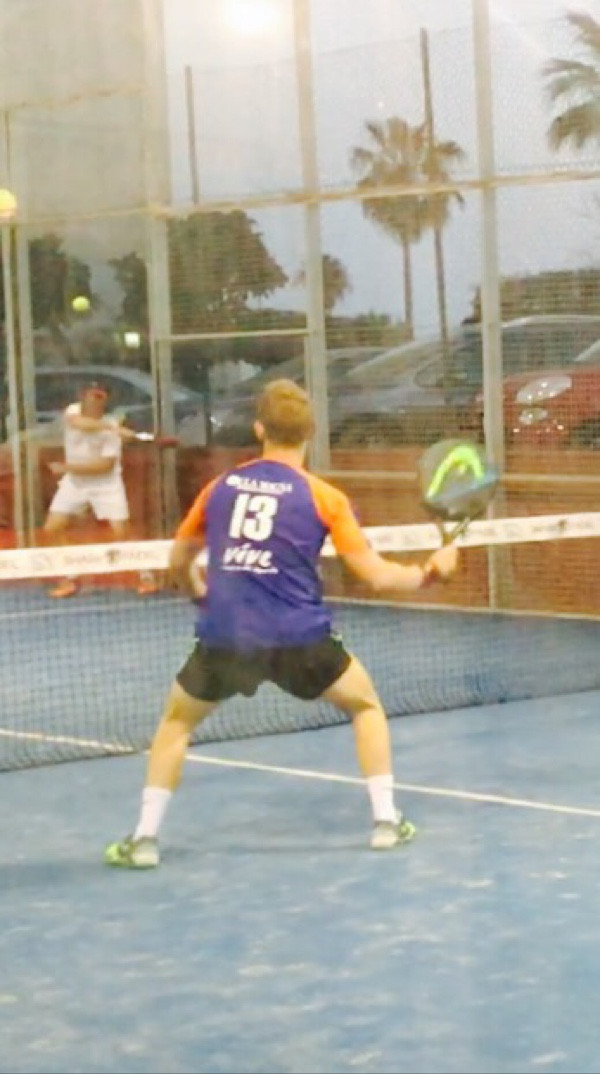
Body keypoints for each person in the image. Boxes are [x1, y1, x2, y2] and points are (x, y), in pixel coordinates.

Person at [105, 379, 459, 868]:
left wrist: (199, 592)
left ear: (259, 429)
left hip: (227, 637)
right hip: (300, 638)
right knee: (365, 706)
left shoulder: (219, 488)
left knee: (176, 723)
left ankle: (144, 839)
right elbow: (377, 576)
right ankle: (385, 822)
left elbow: (179, 560)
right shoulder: (325, 497)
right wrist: (429, 574)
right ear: (310, 432)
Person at [43, 381, 157, 598]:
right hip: (74, 483)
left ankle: (146, 575)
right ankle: (68, 576)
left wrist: (66, 467)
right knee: (52, 528)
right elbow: (78, 423)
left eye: (100, 397)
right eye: (91, 395)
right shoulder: (75, 412)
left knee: (121, 532)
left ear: (105, 401)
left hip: (106, 485)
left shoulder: (111, 429)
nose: (94, 401)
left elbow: (104, 467)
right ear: (83, 397)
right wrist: (112, 428)